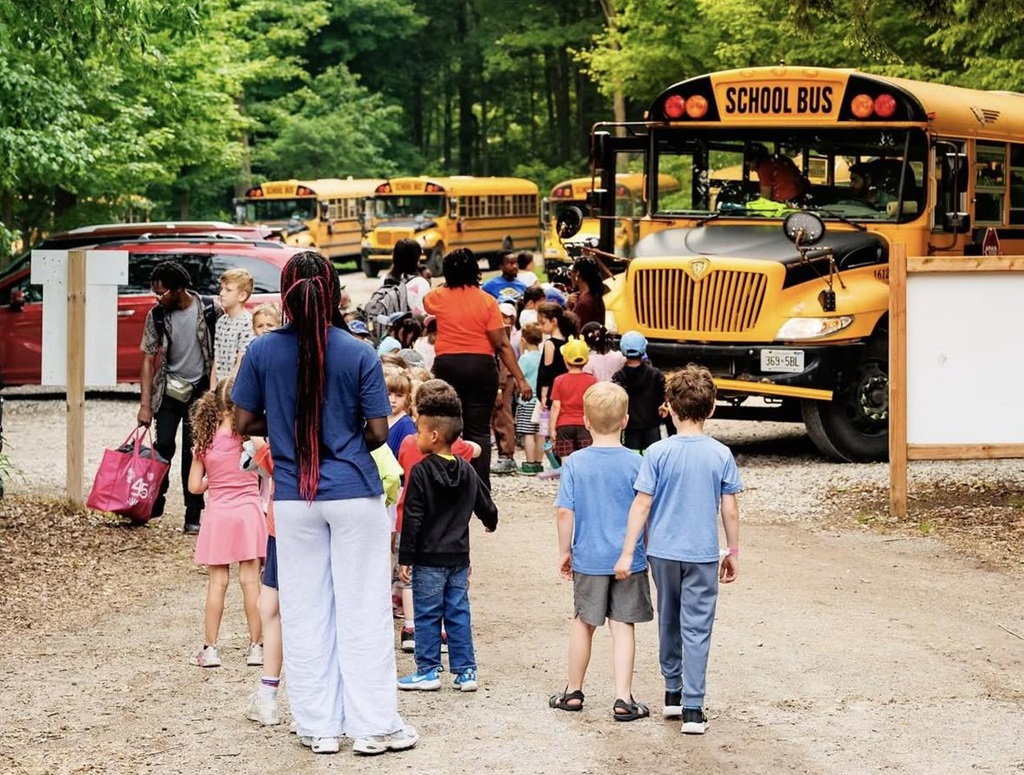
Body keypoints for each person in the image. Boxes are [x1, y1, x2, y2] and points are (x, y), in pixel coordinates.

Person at [232, 250, 417, 756]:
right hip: (354, 491)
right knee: (362, 609)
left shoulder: (263, 351)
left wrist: (294, 431)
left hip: (294, 497)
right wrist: (336, 433)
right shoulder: (358, 351)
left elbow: (243, 422)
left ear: (286, 294)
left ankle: (319, 727)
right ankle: (373, 726)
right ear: (334, 292)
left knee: (305, 610)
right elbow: (379, 431)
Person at [613, 364, 742, 735]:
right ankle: (694, 709)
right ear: (712, 407)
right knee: (697, 627)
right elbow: (729, 508)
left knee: (669, 617)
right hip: (702, 552)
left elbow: (641, 505)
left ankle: (672, 691)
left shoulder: (656, 452)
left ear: (667, 406)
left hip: (663, 551)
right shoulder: (720, 454)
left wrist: (627, 551)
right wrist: (732, 550)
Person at [549, 382, 652, 719]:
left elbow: (565, 511)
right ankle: (623, 697)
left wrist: (565, 550)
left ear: (587, 423)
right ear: (625, 420)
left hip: (589, 557)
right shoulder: (638, 463)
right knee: (623, 625)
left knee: (584, 622)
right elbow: (645, 509)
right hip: (628, 558)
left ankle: (574, 691)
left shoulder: (576, 463)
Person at [397, 389, 498, 692]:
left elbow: (413, 518)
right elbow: (486, 504)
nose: (416, 437)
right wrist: (490, 522)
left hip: (428, 557)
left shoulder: (420, 472)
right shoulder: (466, 469)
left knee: (428, 613)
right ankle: (465, 671)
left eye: (419, 431)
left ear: (435, 435)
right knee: (458, 611)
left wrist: (405, 557)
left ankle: (427, 670)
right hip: (458, 557)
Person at [424, 247, 533, 491]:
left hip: (448, 366)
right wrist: (521, 380)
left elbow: (426, 300)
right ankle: (480, 489)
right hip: (481, 367)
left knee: (446, 427)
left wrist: (446, 283)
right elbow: (502, 345)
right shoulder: (487, 301)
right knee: (479, 430)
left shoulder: (439, 297)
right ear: (475, 270)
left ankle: (449, 485)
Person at [187, 378, 267, 668]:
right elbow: (267, 464)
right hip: (247, 513)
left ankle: (210, 649)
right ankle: (257, 647)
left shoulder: (203, 443)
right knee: (250, 582)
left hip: (218, 515)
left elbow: (194, 486)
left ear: (215, 406)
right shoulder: (249, 438)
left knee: (217, 583)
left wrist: (214, 479)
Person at [138, 260, 222, 534]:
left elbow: (222, 349)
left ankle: (193, 513)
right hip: (169, 390)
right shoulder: (157, 315)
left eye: (161, 293)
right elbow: (148, 359)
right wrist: (145, 406)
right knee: (163, 446)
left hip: (200, 393)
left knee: (193, 451)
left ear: (178, 289)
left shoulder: (209, 309)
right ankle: (154, 499)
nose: (157, 298)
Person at [612, 331, 666, 453]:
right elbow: (662, 398)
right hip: (651, 426)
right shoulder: (656, 375)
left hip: (629, 427)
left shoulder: (619, 377)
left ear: (623, 350)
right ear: (643, 349)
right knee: (652, 459)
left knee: (631, 458)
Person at [550, 337, 598, 460]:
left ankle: (567, 478)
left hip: (564, 425)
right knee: (586, 459)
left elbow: (556, 406)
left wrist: (552, 428)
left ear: (565, 359)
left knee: (566, 459)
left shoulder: (559, 380)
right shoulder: (592, 380)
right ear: (586, 360)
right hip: (585, 425)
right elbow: (594, 405)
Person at [213, 268, 255, 386]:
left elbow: (241, 363)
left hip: (233, 389)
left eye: (228, 290)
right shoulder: (221, 321)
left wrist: (225, 390)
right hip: (219, 388)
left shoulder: (247, 323)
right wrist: (212, 390)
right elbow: (216, 359)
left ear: (242, 296)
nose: (221, 293)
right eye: (221, 289)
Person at [491, 302, 519, 476]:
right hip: (499, 381)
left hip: (503, 382)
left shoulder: (503, 337)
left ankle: (507, 455)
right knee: (497, 418)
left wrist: (499, 389)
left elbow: (502, 365)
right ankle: (504, 453)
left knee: (503, 417)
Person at [515, 323, 544, 475]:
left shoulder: (525, 359)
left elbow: (518, 378)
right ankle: (539, 463)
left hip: (527, 401)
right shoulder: (544, 356)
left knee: (528, 434)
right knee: (540, 434)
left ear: (524, 339)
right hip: (541, 401)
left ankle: (529, 463)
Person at [569, 257, 606, 328]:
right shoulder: (594, 296)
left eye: (572, 272)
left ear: (577, 274)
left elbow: (573, 329)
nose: (571, 276)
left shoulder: (584, 303)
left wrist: (568, 308)